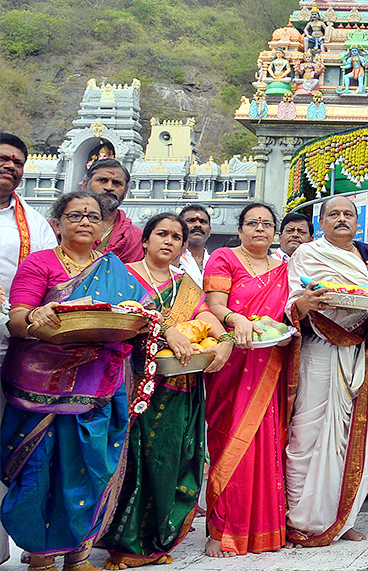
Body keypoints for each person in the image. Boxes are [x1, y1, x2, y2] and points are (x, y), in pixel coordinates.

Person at [1, 191, 147, 571]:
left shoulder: (116, 268)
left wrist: (145, 320)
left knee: (94, 466)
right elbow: (17, 321)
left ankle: (79, 555)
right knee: (40, 468)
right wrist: (38, 316)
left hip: (101, 384)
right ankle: (42, 556)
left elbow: (141, 316)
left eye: (93, 216)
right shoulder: (40, 264)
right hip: (42, 385)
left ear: (103, 226)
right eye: (75, 215)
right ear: (58, 222)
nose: (85, 221)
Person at [100, 213, 234, 569]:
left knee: (172, 459)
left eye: (177, 236)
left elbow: (205, 315)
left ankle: (156, 541)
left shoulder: (186, 284)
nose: (170, 241)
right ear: (145, 240)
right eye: (162, 233)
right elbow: (114, 315)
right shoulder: (123, 274)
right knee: (132, 459)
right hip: (131, 382)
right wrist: (161, 330)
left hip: (180, 383)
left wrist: (223, 340)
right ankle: (123, 542)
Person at [284, 196, 368, 546]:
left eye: (348, 214)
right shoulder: (307, 254)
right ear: (321, 221)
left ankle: (341, 519)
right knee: (308, 434)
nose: (342, 219)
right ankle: (299, 517)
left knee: (348, 437)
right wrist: (302, 305)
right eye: (334, 214)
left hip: (358, 352)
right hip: (319, 350)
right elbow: (290, 301)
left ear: (358, 221)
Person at [202, 203, 296, 557]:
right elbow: (214, 305)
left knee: (269, 440)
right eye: (252, 223)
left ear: (275, 232)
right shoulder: (225, 258)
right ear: (240, 229)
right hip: (233, 361)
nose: (260, 228)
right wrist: (236, 319)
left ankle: (265, 529)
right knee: (228, 438)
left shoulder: (284, 268)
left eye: (267, 223)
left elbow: (289, 312)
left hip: (271, 361)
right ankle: (222, 528)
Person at [0, 133, 55, 565]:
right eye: (3, 158)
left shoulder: (34, 223)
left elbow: (44, 283)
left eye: (18, 162)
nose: (11, 166)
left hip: (10, 342)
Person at [86, 158, 143, 263]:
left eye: (116, 183)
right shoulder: (65, 226)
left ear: (125, 192)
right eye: (102, 180)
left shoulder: (135, 236)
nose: (109, 187)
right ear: (86, 185)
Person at [178, 204, 212, 285]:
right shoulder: (171, 260)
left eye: (203, 222)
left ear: (209, 231)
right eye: (191, 220)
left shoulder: (215, 262)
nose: (198, 225)